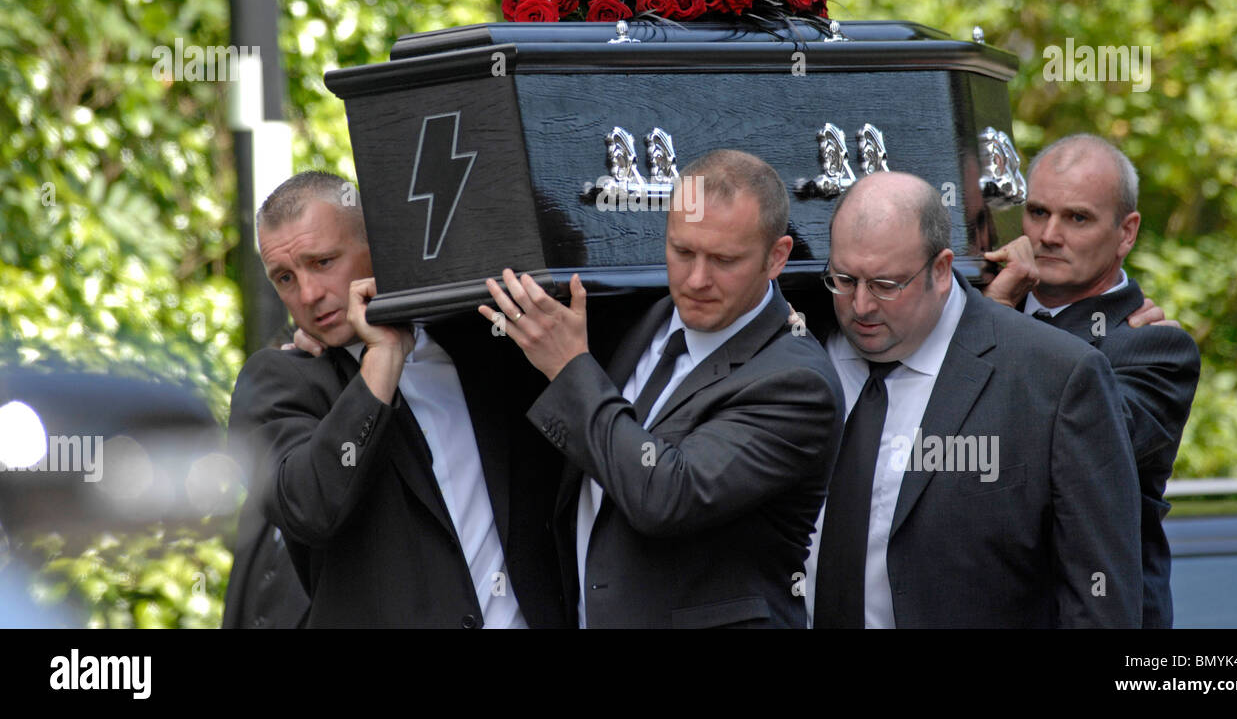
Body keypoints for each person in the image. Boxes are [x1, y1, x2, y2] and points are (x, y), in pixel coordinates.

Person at [480, 150, 844, 628]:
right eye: (682, 251)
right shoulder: (642, 319)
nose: (696, 280)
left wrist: (571, 367)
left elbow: (666, 496)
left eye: (724, 260)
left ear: (777, 258)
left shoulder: (798, 381)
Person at [227, 171, 566, 628]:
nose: (307, 294)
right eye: (285, 277)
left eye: (323, 261)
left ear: (380, 248)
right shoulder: (278, 380)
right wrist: (380, 362)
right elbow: (309, 506)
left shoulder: (482, 342)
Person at [808, 171, 1142, 628]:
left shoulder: (1053, 378)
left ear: (941, 270)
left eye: (886, 285)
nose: (861, 305)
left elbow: (1099, 598)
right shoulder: (798, 353)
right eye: (844, 280)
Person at [982, 134, 1200, 628]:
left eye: (1077, 218)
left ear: (1127, 233)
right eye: (1037, 212)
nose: (1048, 235)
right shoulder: (975, 304)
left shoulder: (1155, 346)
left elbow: (1069, 448)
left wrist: (994, 318)